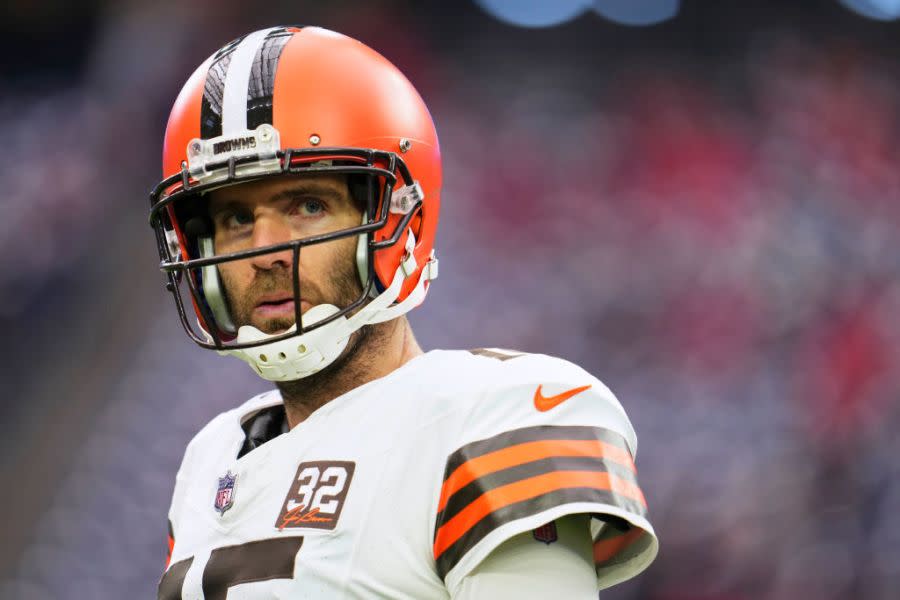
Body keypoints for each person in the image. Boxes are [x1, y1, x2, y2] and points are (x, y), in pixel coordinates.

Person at [149, 25, 657, 599]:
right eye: (237, 219)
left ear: (399, 221)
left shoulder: (492, 418)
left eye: (308, 205)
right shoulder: (210, 459)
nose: (264, 251)